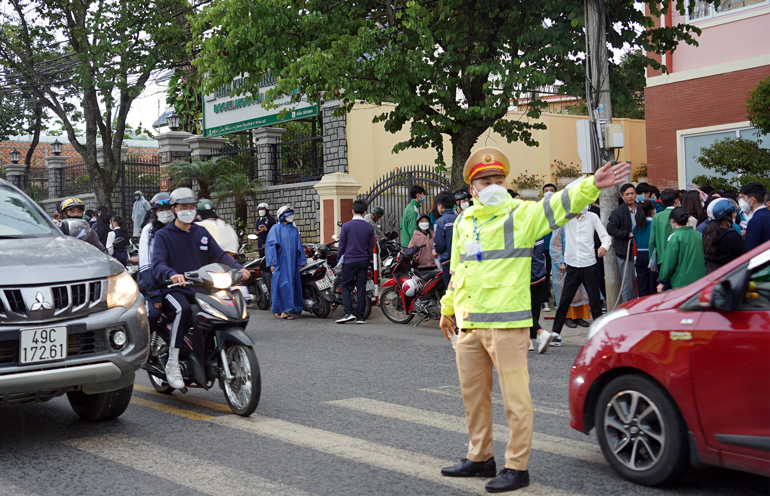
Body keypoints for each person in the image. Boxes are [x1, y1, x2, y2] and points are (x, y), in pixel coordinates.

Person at [437, 145, 630, 493]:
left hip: (507, 324)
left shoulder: (521, 215)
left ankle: (517, 465)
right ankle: (480, 457)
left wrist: (591, 184)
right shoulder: (464, 221)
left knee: (516, 400)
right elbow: (458, 269)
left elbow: (558, 205)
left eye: (498, 178)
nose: (493, 184)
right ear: (472, 188)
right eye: (485, 180)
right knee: (473, 398)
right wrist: (448, 307)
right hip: (469, 325)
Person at [152, 187, 249, 388]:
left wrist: (240, 269)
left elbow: (220, 255)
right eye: (183, 207)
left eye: (192, 207)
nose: (188, 211)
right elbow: (158, 264)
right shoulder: (164, 235)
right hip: (174, 289)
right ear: (174, 208)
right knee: (183, 310)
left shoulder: (201, 232)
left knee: (221, 308)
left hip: (201, 288)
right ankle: (172, 362)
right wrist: (172, 274)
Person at [550, 205, 611, 340]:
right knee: (564, 301)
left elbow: (605, 237)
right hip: (571, 265)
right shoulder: (565, 218)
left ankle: (599, 336)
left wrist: (603, 246)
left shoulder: (592, 217)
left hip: (589, 264)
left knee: (595, 302)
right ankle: (555, 334)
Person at [138, 192, 174, 334]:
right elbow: (145, 263)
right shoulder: (149, 230)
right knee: (152, 314)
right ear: (155, 212)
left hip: (176, 283)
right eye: (161, 210)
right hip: (153, 283)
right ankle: (144, 349)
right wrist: (154, 293)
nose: (165, 213)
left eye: (168, 209)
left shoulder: (180, 228)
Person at [335, 200, 375, 324]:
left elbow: (342, 245)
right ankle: (361, 317)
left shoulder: (346, 226)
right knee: (361, 287)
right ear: (365, 212)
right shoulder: (369, 227)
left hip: (350, 260)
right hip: (363, 260)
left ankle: (348, 313)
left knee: (346, 286)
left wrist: (339, 259)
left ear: (352, 211)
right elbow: (370, 247)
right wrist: (367, 259)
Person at [266, 205, 307, 320]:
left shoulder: (294, 229)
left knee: (290, 286)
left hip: (292, 263)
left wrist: (301, 261)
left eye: (291, 214)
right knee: (280, 286)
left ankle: (285, 311)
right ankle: (279, 310)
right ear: (282, 216)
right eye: (288, 214)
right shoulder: (275, 229)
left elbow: (299, 246)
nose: (291, 216)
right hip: (281, 262)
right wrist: (272, 263)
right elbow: (271, 246)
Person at [607, 183, 639, 303]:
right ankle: (627, 307)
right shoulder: (618, 212)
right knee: (627, 283)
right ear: (622, 196)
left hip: (640, 250)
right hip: (625, 252)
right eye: (627, 194)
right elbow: (610, 229)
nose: (630, 196)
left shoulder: (641, 208)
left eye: (632, 193)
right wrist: (628, 234)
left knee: (639, 281)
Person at [702, 198, 746, 274]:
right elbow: (745, 259)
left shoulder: (707, 233)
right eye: (733, 213)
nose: (735, 215)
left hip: (711, 276)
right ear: (725, 216)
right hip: (729, 276)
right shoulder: (732, 237)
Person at [529, 236, 553, 354]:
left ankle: (540, 333)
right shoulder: (538, 230)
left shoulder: (522, 231)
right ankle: (530, 340)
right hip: (541, 275)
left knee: (524, 309)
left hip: (528, 277)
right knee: (535, 309)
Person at [647, 188, 680, 276]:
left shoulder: (657, 217)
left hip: (662, 258)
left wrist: (652, 260)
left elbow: (652, 241)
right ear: (676, 200)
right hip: (680, 259)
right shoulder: (681, 214)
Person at [433, 191, 458, 288]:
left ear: (440, 205)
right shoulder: (460, 219)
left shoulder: (440, 222)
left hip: (447, 261)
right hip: (460, 260)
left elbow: (439, 245)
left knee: (449, 288)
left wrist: (436, 251)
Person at [634, 200, 656, 297]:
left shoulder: (635, 227)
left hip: (639, 256)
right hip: (652, 255)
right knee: (653, 285)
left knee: (642, 285)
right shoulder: (654, 225)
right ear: (652, 211)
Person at [541, 184, 558, 312]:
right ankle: (545, 300)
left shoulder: (559, 208)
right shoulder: (539, 208)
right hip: (544, 247)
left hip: (558, 247)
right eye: (546, 191)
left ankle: (558, 300)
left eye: (551, 191)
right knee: (545, 274)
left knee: (559, 275)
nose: (549, 193)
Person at [740, 182, 770, 251]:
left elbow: (750, 250)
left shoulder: (755, 221)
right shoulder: (767, 215)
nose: (742, 201)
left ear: (752, 200)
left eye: (743, 198)